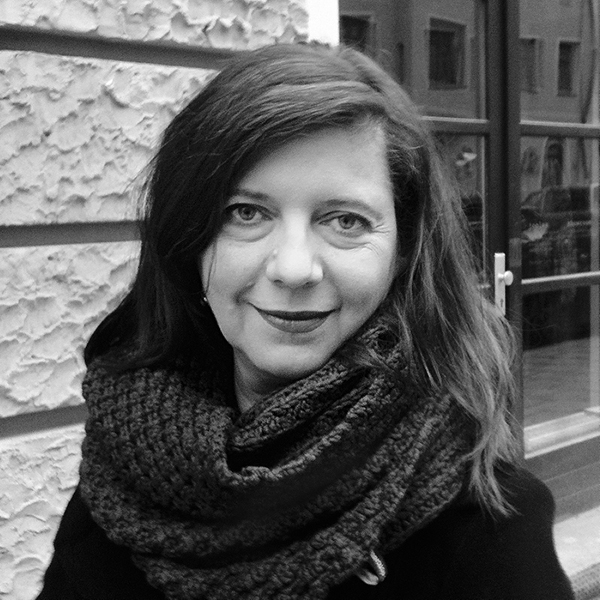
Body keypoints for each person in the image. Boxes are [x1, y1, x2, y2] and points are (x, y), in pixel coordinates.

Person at [36, 43, 574, 600]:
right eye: (246, 213)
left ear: (404, 250)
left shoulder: (486, 529)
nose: (294, 269)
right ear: (188, 240)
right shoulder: (126, 474)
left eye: (346, 221)